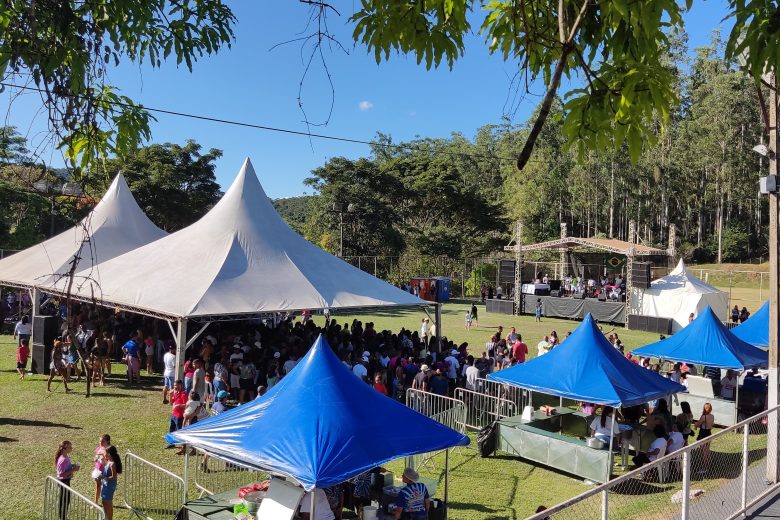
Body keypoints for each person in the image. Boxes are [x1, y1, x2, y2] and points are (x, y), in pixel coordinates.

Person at [55, 440, 80, 520]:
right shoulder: (63, 459)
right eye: (70, 447)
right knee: (65, 501)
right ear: (64, 449)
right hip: (64, 481)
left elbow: (65, 468)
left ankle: (62, 517)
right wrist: (74, 470)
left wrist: (72, 466)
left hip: (65, 481)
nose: (71, 448)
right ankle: (62, 518)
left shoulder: (65, 457)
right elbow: (61, 474)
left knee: (64, 499)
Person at [97, 446, 120, 520]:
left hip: (110, 486)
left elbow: (114, 477)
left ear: (109, 454)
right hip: (105, 484)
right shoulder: (108, 461)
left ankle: (109, 518)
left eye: (105, 453)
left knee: (108, 502)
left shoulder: (112, 464)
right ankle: (105, 517)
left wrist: (104, 477)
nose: (104, 454)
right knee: (104, 501)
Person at [694, 403, 715, 473]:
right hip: (709, 433)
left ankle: (704, 467)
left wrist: (695, 424)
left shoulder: (704, 417)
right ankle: (708, 466)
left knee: (704, 451)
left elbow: (698, 424)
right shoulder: (712, 416)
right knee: (707, 450)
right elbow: (711, 425)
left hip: (703, 434)